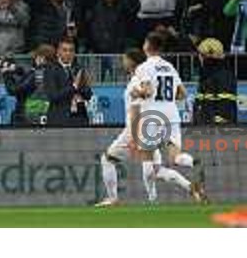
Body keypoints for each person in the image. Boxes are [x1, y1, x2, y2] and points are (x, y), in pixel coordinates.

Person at [96, 48, 197, 206]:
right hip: (151, 126)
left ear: (131, 61)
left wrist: (134, 137)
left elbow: (136, 108)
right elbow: (178, 94)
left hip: (136, 129)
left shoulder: (138, 79)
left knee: (107, 159)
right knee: (152, 171)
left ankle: (113, 198)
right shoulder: (144, 76)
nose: (122, 62)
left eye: (124, 59)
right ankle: (188, 188)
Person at [132, 32, 208, 202]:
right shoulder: (170, 67)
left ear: (147, 46)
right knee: (176, 158)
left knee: (147, 161)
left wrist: (136, 91)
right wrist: (165, 99)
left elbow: (148, 91)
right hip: (172, 116)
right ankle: (194, 162)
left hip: (152, 116)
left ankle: (152, 201)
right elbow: (182, 94)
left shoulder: (143, 67)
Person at [43, 39, 92, 126]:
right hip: (59, 119)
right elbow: (53, 96)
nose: (68, 53)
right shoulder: (50, 69)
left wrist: (83, 88)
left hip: (80, 118)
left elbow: (88, 95)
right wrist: (73, 87)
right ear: (58, 52)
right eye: (65, 50)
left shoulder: (79, 69)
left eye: (71, 50)